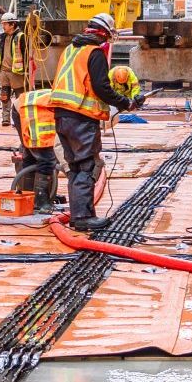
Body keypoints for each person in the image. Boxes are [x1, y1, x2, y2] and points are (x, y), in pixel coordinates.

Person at [50, 12, 142, 231]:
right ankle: (82, 218)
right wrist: (126, 103)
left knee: (74, 166)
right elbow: (101, 87)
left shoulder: (70, 50)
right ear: (104, 34)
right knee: (86, 166)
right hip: (81, 117)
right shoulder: (95, 53)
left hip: (62, 116)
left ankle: (80, 214)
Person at [11, 87, 62, 213]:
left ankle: (28, 197)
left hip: (24, 107)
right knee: (47, 159)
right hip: (24, 111)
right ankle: (40, 200)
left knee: (31, 155)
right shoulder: (71, 110)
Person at [0, 12, 32, 127]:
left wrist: (26, 70)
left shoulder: (21, 37)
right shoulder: (3, 37)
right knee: (4, 95)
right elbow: (1, 53)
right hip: (4, 71)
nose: (3, 26)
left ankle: (20, 119)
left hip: (16, 72)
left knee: (19, 97)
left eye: (5, 24)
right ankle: (5, 118)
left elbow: (26, 54)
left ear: (12, 24)